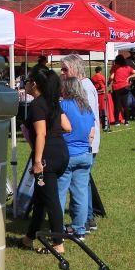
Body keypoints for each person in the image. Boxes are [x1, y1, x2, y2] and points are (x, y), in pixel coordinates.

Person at [22, 73, 68, 255]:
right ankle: (28, 238)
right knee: (41, 196)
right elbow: (67, 126)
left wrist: (38, 161)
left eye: (26, 82)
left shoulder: (38, 104)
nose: (25, 85)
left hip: (46, 160)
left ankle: (58, 243)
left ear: (34, 84)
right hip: (61, 155)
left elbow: (40, 134)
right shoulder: (53, 103)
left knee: (51, 200)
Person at [61, 54, 102, 231]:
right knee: (82, 184)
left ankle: (86, 219)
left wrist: (87, 142)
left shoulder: (84, 87)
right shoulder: (83, 86)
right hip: (84, 145)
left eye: (65, 69)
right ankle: (87, 219)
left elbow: (88, 119)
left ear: (75, 69)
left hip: (84, 145)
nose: (62, 73)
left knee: (80, 186)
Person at [55, 76, 97, 238]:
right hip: (84, 154)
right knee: (81, 193)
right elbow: (91, 134)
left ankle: (57, 229)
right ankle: (80, 229)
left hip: (66, 155)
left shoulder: (62, 106)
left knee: (59, 193)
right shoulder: (87, 107)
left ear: (65, 89)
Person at [109, 55, 135, 127]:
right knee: (125, 105)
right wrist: (129, 77)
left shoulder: (115, 67)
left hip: (116, 88)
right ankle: (127, 121)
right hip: (125, 87)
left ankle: (117, 122)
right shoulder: (127, 67)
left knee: (117, 105)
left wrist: (108, 82)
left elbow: (111, 77)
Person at [90, 66, 111, 134]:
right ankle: (105, 125)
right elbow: (105, 84)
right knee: (104, 110)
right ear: (100, 71)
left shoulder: (93, 77)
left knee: (97, 110)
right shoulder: (101, 76)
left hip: (96, 95)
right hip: (102, 94)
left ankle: (98, 124)